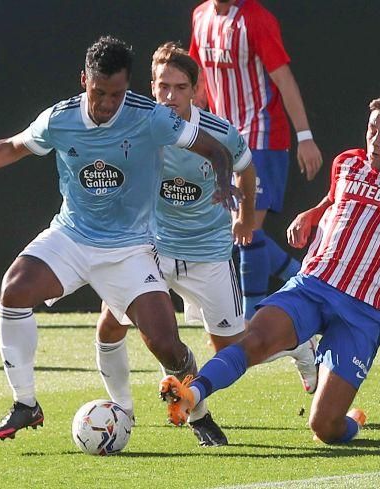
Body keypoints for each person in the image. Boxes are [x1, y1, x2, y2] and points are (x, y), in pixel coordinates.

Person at [0, 36, 239, 441]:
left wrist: (224, 182)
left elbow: (217, 151)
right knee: (14, 290)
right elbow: (13, 146)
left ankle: (199, 415)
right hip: (72, 236)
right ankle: (25, 404)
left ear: (128, 87)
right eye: (99, 92)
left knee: (165, 346)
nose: (106, 103)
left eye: (117, 94)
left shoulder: (152, 117)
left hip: (130, 249)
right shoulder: (60, 118)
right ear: (83, 79)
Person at [159, 95, 380, 444]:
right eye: (372, 130)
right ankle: (194, 393)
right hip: (314, 285)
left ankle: (353, 421)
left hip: (364, 311)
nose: (376, 139)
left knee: (325, 427)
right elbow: (334, 199)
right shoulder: (347, 163)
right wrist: (311, 213)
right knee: (255, 339)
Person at [94, 42, 318, 447]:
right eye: (162, 86)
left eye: (180, 87)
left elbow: (247, 170)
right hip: (153, 251)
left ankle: (296, 347)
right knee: (110, 325)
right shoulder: (136, 126)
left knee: (233, 352)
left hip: (207, 256)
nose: (169, 96)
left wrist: (247, 217)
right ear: (151, 86)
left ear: (196, 91)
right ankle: (122, 410)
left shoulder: (218, 132)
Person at [189, 0, 324, 322]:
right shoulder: (200, 16)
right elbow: (199, 82)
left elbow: (283, 78)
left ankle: (251, 320)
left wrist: (305, 137)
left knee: (247, 229)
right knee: (237, 231)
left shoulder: (256, 19)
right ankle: (309, 285)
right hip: (222, 139)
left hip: (261, 136)